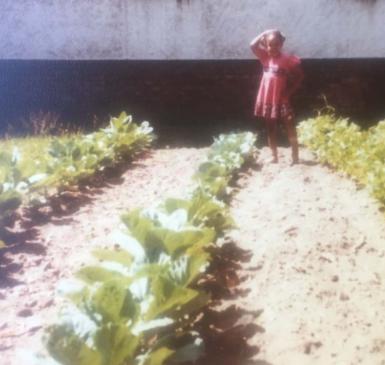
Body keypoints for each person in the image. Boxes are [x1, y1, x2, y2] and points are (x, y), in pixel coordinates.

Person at [250, 29, 304, 164]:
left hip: (282, 99)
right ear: (265, 45)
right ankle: (274, 156)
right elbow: (252, 45)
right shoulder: (264, 57)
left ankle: (295, 156)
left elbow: (299, 77)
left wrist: (288, 92)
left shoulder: (287, 60)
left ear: (281, 45)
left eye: (276, 44)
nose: (273, 47)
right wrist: (264, 33)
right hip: (268, 99)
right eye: (269, 44)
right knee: (270, 127)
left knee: (289, 125)